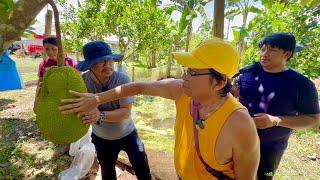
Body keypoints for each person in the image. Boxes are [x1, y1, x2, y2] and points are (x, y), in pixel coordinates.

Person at [59, 38, 260, 180]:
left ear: (219, 82)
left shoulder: (240, 124)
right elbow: (137, 87)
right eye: (185, 70)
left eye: (192, 72)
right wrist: (96, 99)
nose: (184, 77)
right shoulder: (181, 92)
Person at [234, 33, 320, 179]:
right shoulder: (248, 73)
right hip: (237, 139)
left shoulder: (301, 84)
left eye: (272, 50)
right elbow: (235, 97)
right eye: (263, 49)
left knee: (263, 177)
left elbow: (314, 120)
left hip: (270, 148)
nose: (264, 54)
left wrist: (275, 120)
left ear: (287, 54)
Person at [76, 41, 152, 180]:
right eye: (101, 61)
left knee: (142, 168)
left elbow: (125, 112)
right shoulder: (82, 82)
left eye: (109, 59)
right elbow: (76, 107)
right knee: (107, 171)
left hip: (128, 134)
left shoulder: (122, 79)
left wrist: (99, 115)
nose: (108, 64)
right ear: (90, 65)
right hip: (101, 138)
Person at [33, 35, 78, 157]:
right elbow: (40, 83)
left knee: (69, 121)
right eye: (47, 49)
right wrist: (36, 101)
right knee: (59, 121)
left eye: (53, 48)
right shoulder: (44, 64)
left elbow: (77, 82)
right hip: (52, 100)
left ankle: (70, 146)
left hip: (68, 98)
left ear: (60, 48)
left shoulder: (70, 62)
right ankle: (64, 144)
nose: (50, 52)